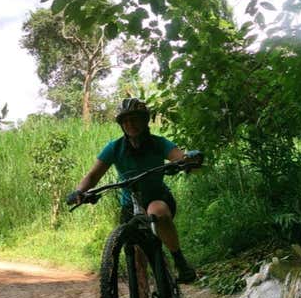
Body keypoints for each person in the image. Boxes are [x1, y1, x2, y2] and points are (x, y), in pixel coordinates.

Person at [67, 97, 201, 285]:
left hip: (157, 198)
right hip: (130, 205)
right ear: (121, 125)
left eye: (135, 119)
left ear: (145, 120)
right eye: (125, 121)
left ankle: (179, 261)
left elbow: (179, 157)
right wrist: (80, 192)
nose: (130, 124)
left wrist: (187, 161)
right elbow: (92, 176)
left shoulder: (158, 143)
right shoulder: (114, 148)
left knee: (158, 211)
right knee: (138, 257)